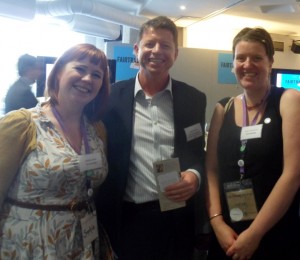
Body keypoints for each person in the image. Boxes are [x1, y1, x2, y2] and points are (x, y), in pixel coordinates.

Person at [95, 16, 207, 260]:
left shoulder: (194, 99)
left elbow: (197, 153)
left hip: (177, 218)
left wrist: (195, 177)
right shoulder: (111, 98)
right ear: (137, 50)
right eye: (150, 44)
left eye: (165, 46)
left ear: (175, 53)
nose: (157, 51)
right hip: (126, 219)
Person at [0, 43, 113, 259]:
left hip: (81, 242)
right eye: (80, 69)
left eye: (97, 74)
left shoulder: (96, 130)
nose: (88, 78)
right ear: (59, 72)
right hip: (30, 244)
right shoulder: (23, 124)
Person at [205, 27, 300, 260]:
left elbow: (292, 174)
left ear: (270, 61)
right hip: (227, 233)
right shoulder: (222, 108)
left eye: (257, 58)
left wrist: (255, 233)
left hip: (272, 232)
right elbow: (211, 170)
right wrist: (216, 222)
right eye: (241, 58)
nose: (248, 65)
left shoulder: (288, 100)